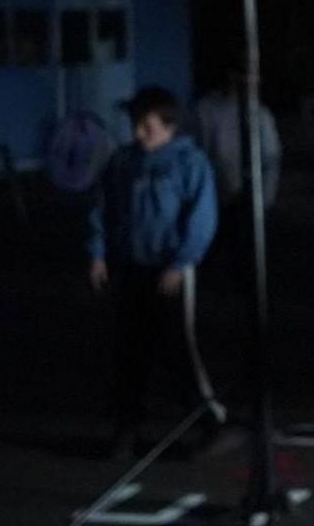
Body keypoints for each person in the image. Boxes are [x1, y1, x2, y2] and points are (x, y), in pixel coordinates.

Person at [87, 86, 226, 457]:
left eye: (147, 124)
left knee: (179, 350)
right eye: (135, 123)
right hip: (132, 268)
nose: (138, 132)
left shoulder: (189, 162)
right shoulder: (122, 161)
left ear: (169, 125)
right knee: (129, 350)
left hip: (170, 271)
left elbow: (202, 218)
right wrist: (98, 254)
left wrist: (182, 262)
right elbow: (103, 209)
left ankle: (207, 421)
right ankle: (127, 428)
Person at [188, 62, 282, 287]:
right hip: (216, 192)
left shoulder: (259, 113)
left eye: (254, 76)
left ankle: (244, 284)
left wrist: (265, 196)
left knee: (247, 248)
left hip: (249, 194)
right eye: (245, 76)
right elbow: (200, 151)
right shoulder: (208, 110)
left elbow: (271, 158)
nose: (251, 82)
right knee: (213, 242)